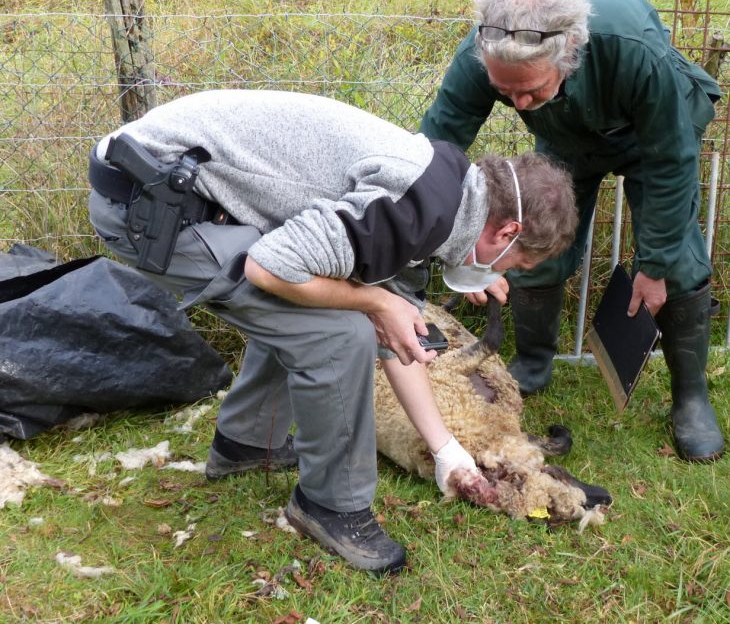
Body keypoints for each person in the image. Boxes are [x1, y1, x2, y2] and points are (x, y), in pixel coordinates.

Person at [87, 89, 577, 573]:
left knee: (314, 308)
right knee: (338, 333)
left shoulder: (448, 198)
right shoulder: (408, 208)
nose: (505, 273)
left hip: (181, 184)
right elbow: (269, 270)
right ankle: (330, 506)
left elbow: (398, 339)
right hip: (150, 203)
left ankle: (247, 444)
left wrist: (446, 451)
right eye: (520, 261)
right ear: (507, 231)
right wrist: (373, 301)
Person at [419, 0, 724, 462]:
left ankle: (690, 398)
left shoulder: (633, 51)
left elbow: (672, 160)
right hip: (566, 134)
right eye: (506, 93)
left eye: (529, 91)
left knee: (678, 257)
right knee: (533, 239)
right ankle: (534, 362)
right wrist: (445, 240)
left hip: (656, 136)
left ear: (569, 53)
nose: (517, 104)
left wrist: (656, 265)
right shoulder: (485, 54)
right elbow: (436, 153)